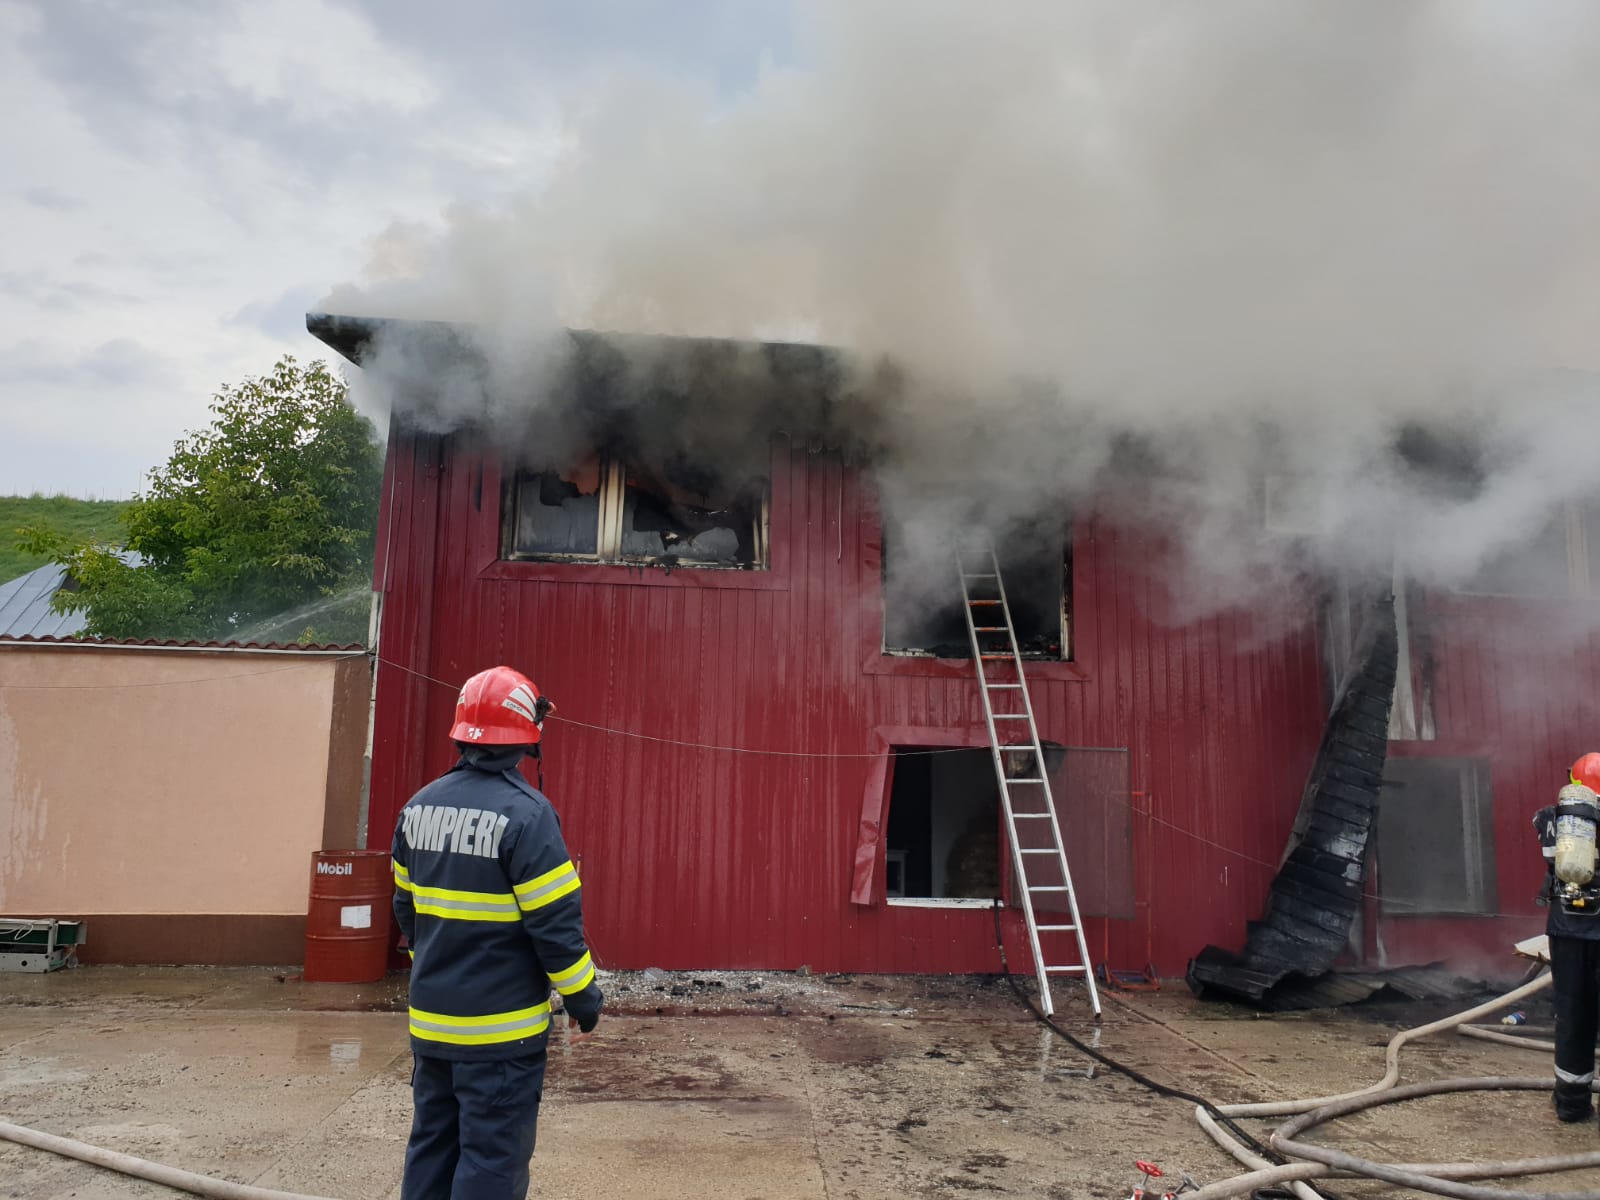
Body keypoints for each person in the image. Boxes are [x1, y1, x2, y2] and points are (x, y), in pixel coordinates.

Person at [391, 666, 603, 1198]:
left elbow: (406, 910)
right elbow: (555, 927)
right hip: (501, 1038)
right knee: (491, 1163)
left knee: (432, 1149)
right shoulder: (528, 817)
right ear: (527, 737)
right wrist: (584, 999)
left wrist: (433, 968)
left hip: (433, 1027)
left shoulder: (417, 808)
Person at [1534, 752, 1600, 1123]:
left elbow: (1550, 858)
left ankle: (1571, 1105)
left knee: (1573, 1016)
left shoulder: (1552, 816)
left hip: (1568, 929)